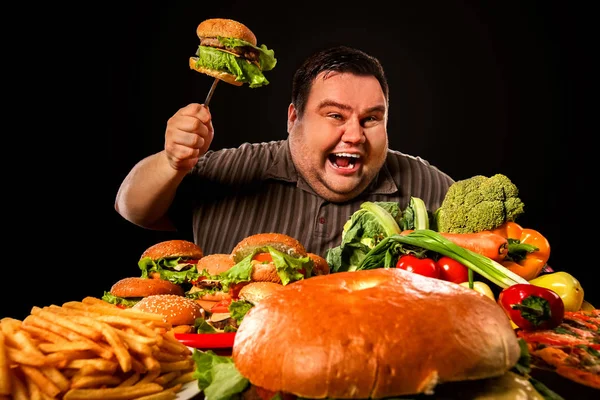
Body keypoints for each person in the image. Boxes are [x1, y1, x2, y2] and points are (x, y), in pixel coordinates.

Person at [115, 45, 455, 258]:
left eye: (371, 119)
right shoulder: (236, 169)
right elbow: (133, 208)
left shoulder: (431, 188)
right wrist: (172, 161)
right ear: (294, 118)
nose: (355, 135)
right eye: (335, 115)